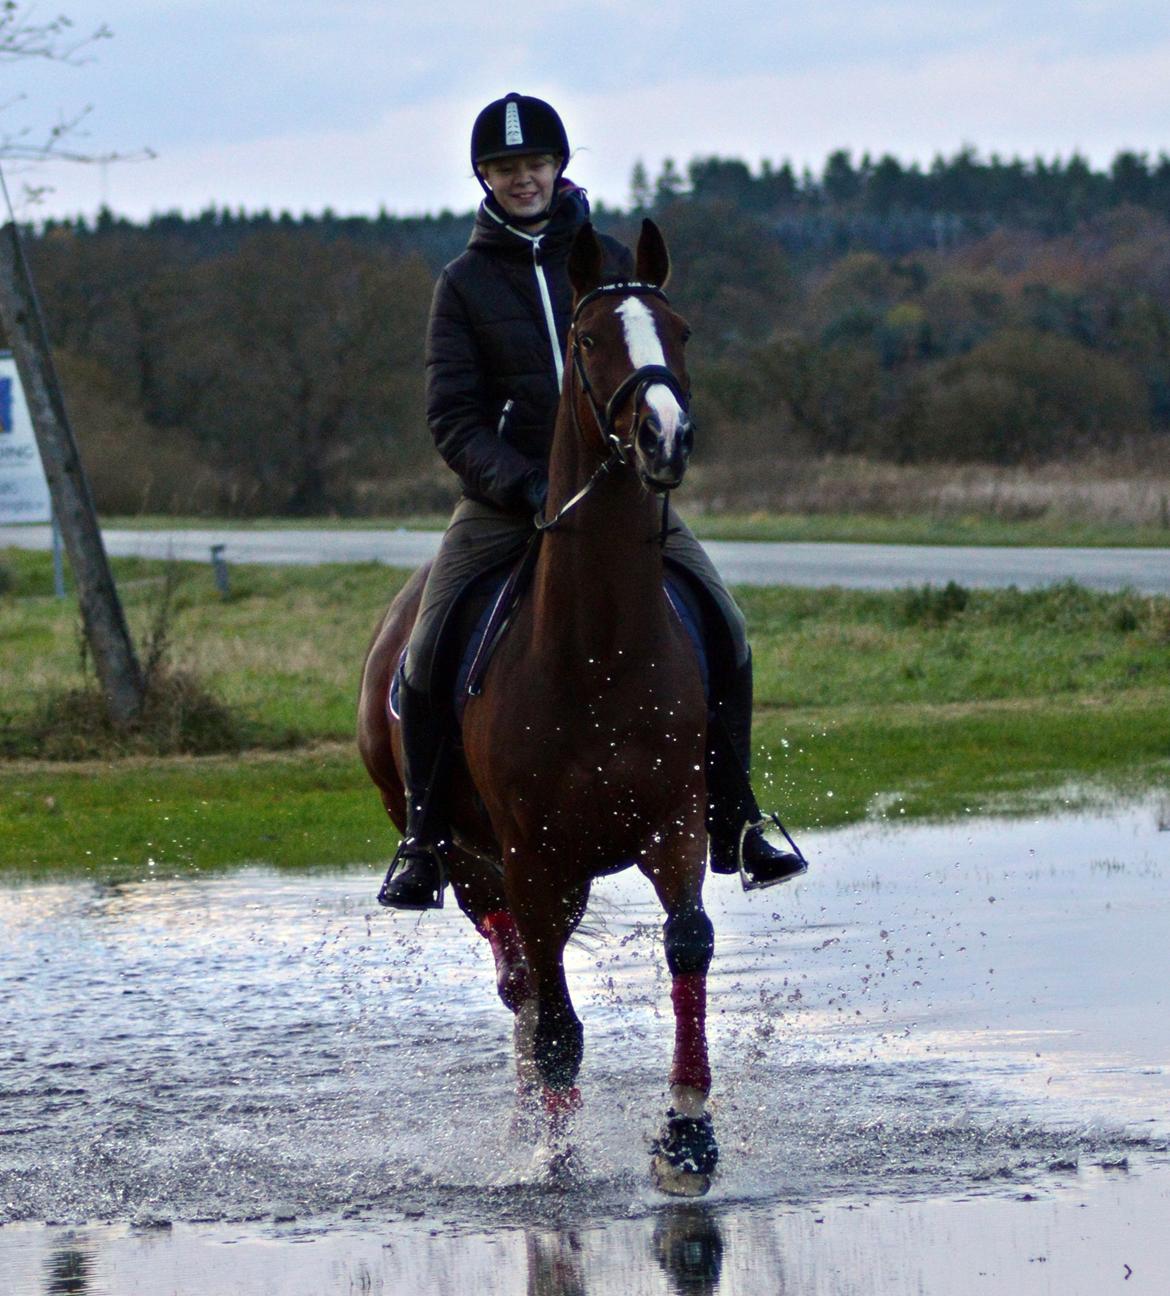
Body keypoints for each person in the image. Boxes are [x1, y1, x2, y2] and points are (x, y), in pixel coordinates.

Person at [378, 91, 806, 910]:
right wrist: (526, 483)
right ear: (484, 179)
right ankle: (424, 841)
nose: (523, 179)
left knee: (726, 623)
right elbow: (451, 417)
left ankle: (739, 819)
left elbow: (652, 364)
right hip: (504, 505)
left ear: (558, 167)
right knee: (428, 650)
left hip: (621, 502)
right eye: (505, 169)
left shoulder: (612, 257)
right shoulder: (463, 284)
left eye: (534, 164)